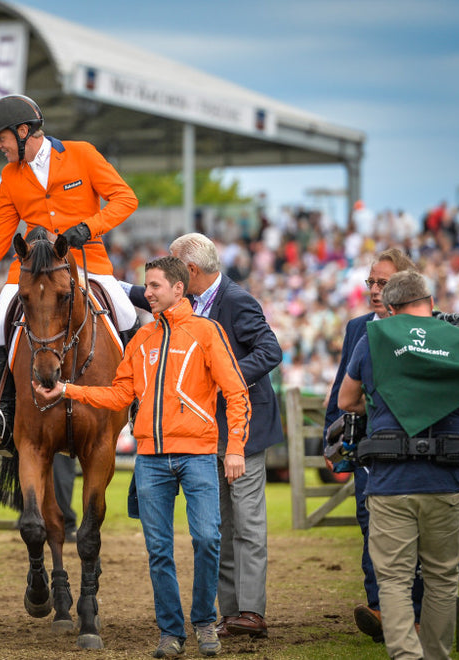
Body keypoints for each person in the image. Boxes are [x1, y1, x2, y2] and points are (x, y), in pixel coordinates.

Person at [36, 256, 250, 659]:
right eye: (146, 286)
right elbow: (120, 395)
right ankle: (170, 632)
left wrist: (235, 447)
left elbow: (236, 393)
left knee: (207, 539)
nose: (146, 293)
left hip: (198, 455)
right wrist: (66, 390)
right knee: (159, 550)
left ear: (178, 289)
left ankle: (204, 621)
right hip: (150, 460)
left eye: (154, 286)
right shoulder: (141, 339)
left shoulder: (207, 332)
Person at [0, 94, 138, 457]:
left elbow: (125, 199)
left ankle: (140, 402)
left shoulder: (82, 154)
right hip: (31, 268)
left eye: (0, 138)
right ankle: (2, 412)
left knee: (126, 314)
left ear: (23, 131)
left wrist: (88, 227)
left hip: (86, 260)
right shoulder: (9, 175)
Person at [126, 233, 282, 638]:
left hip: (243, 430)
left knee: (246, 522)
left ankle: (251, 610)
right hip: (206, 432)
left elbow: (270, 351)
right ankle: (230, 613)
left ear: (190, 271)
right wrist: (109, 284)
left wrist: (222, 378)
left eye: (174, 265)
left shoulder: (237, 301)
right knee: (219, 526)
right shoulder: (190, 302)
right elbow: (147, 294)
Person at [339, 270, 459, 660]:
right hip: (446, 477)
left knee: (393, 579)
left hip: (391, 479)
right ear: (429, 301)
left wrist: (383, 408)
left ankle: (407, 657)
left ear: (391, 308)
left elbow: (346, 401)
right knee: (443, 578)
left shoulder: (374, 337)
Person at [322, 247, 424, 643]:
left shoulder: (426, 327)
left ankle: (415, 613)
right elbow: (340, 391)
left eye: (383, 282)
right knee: (370, 524)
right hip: (368, 446)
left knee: (415, 530)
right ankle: (380, 608)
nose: (375, 289)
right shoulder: (358, 328)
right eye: (371, 282)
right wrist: (330, 440)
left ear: (404, 285)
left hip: (416, 445)